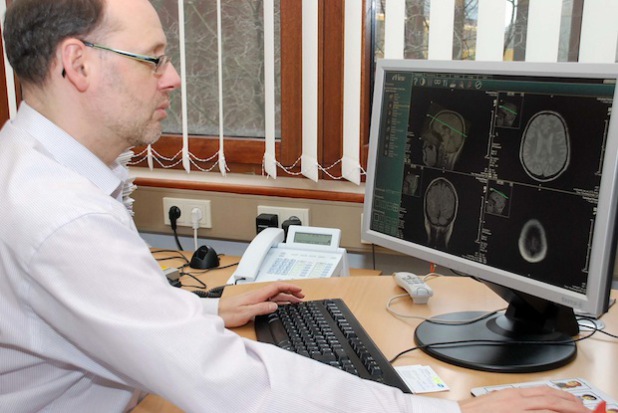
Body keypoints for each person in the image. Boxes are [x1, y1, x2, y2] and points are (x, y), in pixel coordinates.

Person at [0, 1, 591, 412]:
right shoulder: (59, 214)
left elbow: (95, 314)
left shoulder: (32, 164)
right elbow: (238, 390)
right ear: (77, 65)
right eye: (154, 59)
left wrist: (201, 313)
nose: (174, 78)